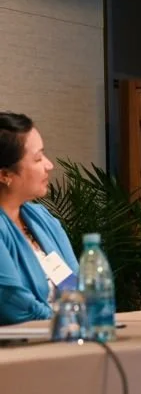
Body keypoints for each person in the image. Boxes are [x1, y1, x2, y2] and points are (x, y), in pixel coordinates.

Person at [0, 112, 79, 325]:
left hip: (64, 336)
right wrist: (63, 321)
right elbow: (12, 304)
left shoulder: (42, 218)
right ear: (4, 175)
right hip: (18, 350)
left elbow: (73, 286)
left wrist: (78, 314)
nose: (49, 165)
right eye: (37, 158)